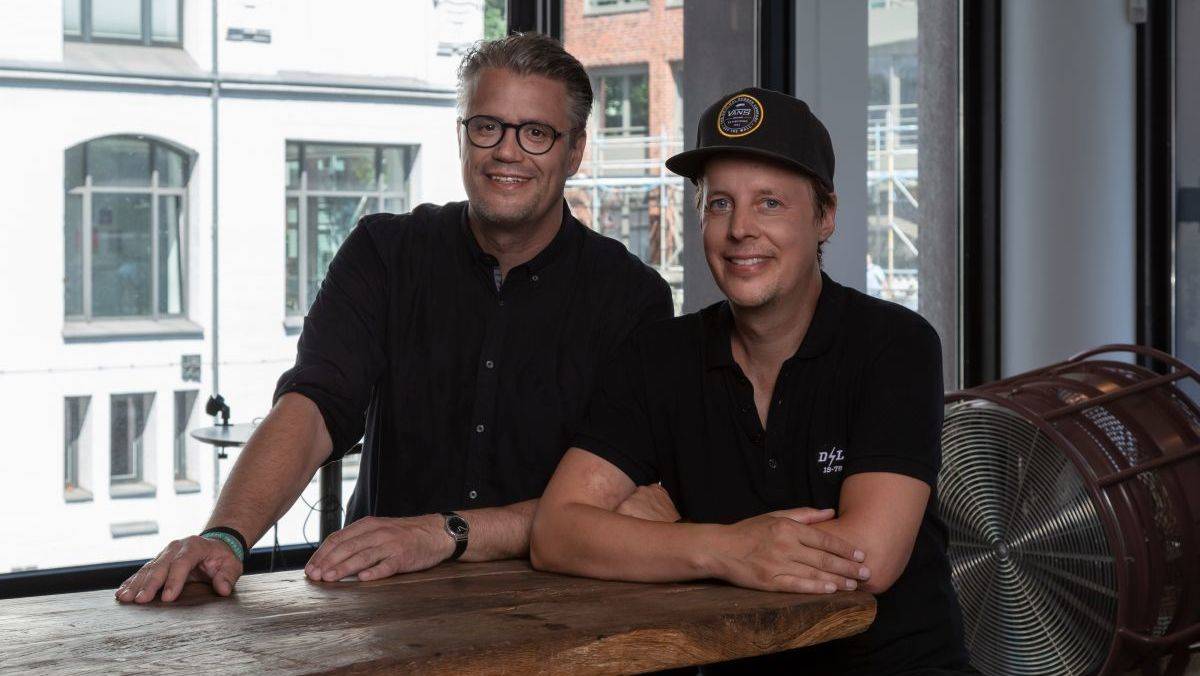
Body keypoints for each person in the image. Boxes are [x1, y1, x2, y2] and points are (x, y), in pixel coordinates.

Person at [115, 33, 674, 605]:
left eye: (536, 132)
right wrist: (226, 535)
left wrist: (444, 533)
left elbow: (626, 502)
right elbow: (313, 408)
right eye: (488, 126)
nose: (507, 151)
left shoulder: (633, 299)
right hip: (381, 607)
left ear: (574, 151)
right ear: (463, 136)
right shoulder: (384, 252)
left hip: (558, 615)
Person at [530, 88, 974, 674]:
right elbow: (556, 533)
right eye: (719, 204)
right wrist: (725, 547)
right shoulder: (656, 356)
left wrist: (671, 536)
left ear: (825, 217)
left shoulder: (894, 345)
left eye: (770, 203)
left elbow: (869, 558)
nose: (741, 229)